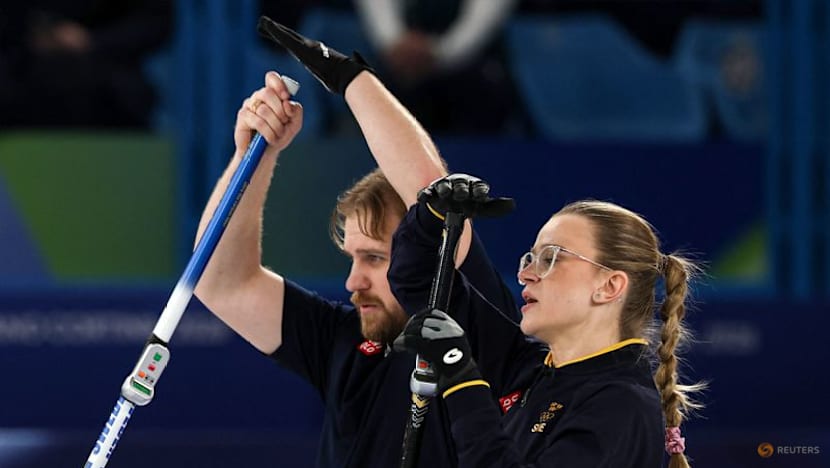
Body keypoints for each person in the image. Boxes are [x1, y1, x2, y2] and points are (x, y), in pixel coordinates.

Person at [193, 18, 529, 467]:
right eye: (353, 257)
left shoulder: (484, 325)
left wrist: (351, 78)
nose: (354, 280)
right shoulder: (342, 337)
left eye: (375, 258)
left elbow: (435, 194)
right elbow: (219, 281)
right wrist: (251, 157)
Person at [393, 175, 705, 467]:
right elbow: (418, 282)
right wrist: (430, 216)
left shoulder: (623, 407)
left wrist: (461, 377)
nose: (526, 274)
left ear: (609, 286)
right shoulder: (528, 368)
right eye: (530, 258)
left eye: (551, 258)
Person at [353, 0, 523, 135]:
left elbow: (483, 20)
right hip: (402, 59)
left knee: (484, 90)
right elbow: (379, 9)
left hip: (470, 62)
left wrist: (438, 53)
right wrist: (394, 43)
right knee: (371, 88)